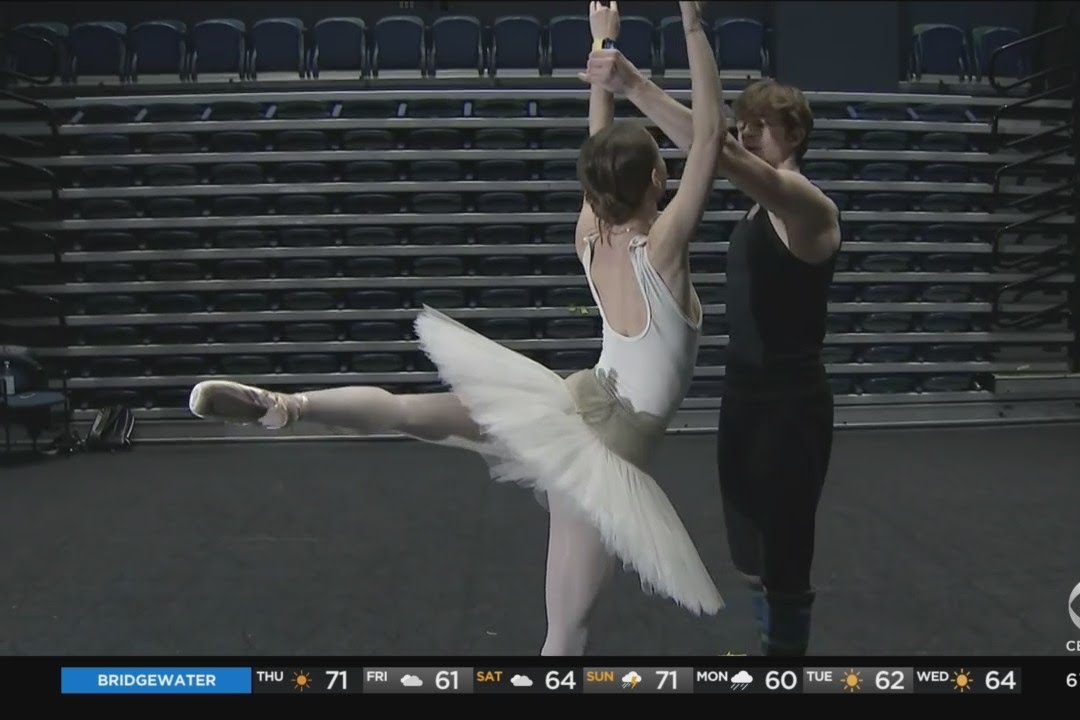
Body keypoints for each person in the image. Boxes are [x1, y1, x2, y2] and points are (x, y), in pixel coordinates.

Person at [186, 0, 727, 656]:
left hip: (565, 403)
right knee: (566, 630)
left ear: (597, 190)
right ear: (658, 179)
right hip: (603, 453)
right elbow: (710, 141)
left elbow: (600, 152)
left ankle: (289, 405)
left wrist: (602, 43)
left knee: (410, 410)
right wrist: (694, 28)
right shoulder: (662, 251)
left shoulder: (590, 235)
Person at [581, 40, 841, 655]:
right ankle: (770, 647)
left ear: (795, 133)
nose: (747, 135)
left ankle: (784, 664)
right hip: (744, 394)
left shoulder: (807, 205)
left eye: (760, 127)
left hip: (791, 404)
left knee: (783, 549)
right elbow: (712, 148)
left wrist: (634, 85)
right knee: (747, 547)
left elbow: (711, 148)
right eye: (743, 124)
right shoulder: (758, 210)